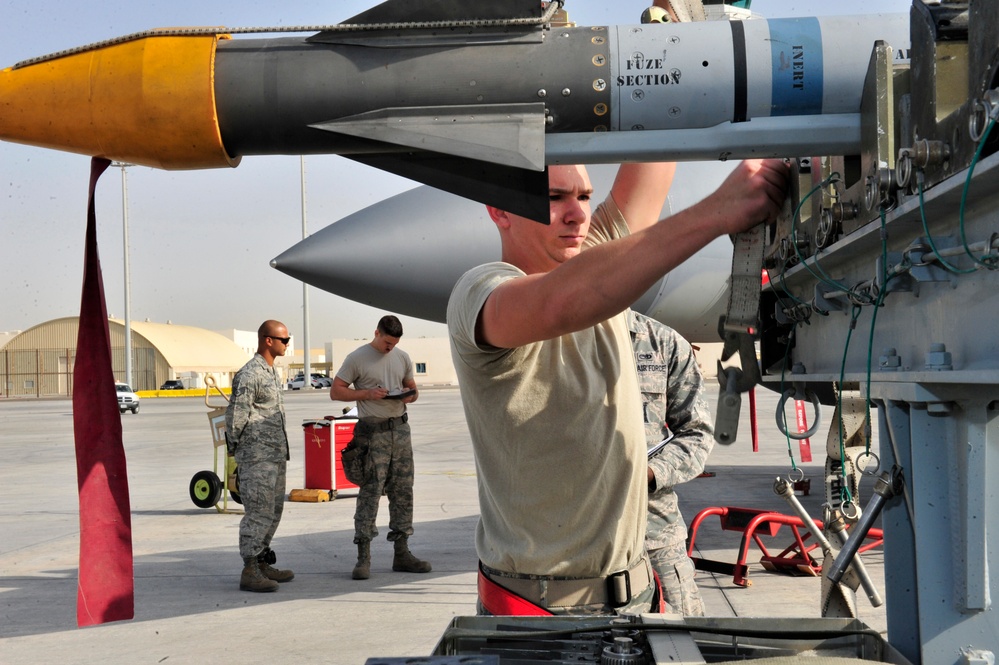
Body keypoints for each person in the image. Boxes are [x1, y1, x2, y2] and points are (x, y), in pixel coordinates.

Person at [446, 157, 788, 615]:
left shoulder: (594, 262)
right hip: (542, 613)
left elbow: (657, 142)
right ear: (499, 210)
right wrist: (720, 209)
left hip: (638, 598)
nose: (577, 214)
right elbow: (560, 302)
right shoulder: (481, 291)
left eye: (585, 196)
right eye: (554, 198)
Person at [330, 315, 431, 580]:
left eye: (394, 343)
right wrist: (367, 394)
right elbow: (336, 391)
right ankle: (363, 557)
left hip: (400, 431)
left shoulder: (402, 357)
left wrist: (411, 395)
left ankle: (402, 553)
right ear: (376, 333)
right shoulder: (357, 358)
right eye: (387, 342)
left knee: (403, 491)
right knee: (370, 492)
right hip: (371, 434)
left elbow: (413, 389)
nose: (390, 348)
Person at [629, 310, 713, 615]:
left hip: (654, 536)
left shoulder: (661, 342)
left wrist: (649, 474)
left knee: (681, 645)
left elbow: (697, 434)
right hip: (575, 546)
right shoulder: (553, 342)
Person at [226, 320, 294, 593]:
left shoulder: (271, 372)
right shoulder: (249, 374)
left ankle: (263, 561)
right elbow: (236, 418)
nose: (287, 344)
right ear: (268, 340)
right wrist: (239, 455)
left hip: (275, 456)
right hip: (256, 457)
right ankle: (250, 569)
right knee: (258, 513)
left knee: (274, 511)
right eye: (283, 340)